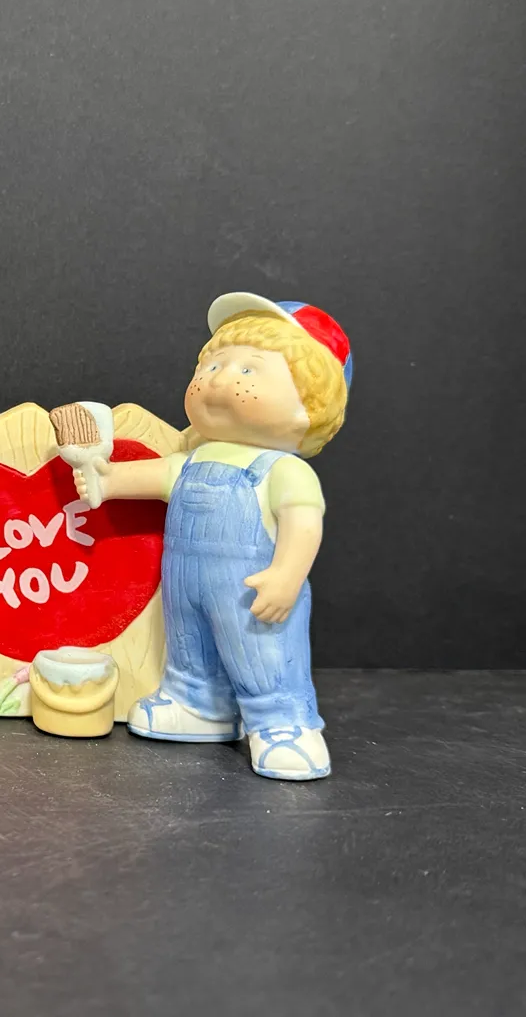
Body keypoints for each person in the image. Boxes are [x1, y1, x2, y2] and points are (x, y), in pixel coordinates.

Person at [70, 293, 352, 779]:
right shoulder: (193, 460)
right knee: (189, 644)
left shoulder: (283, 470)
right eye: (213, 365)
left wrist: (286, 577)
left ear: (310, 407)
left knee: (262, 654)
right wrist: (103, 479)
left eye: (249, 369)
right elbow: (143, 477)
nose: (221, 377)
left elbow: (304, 523)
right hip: (187, 581)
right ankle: (197, 704)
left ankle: (284, 724)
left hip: (252, 589)